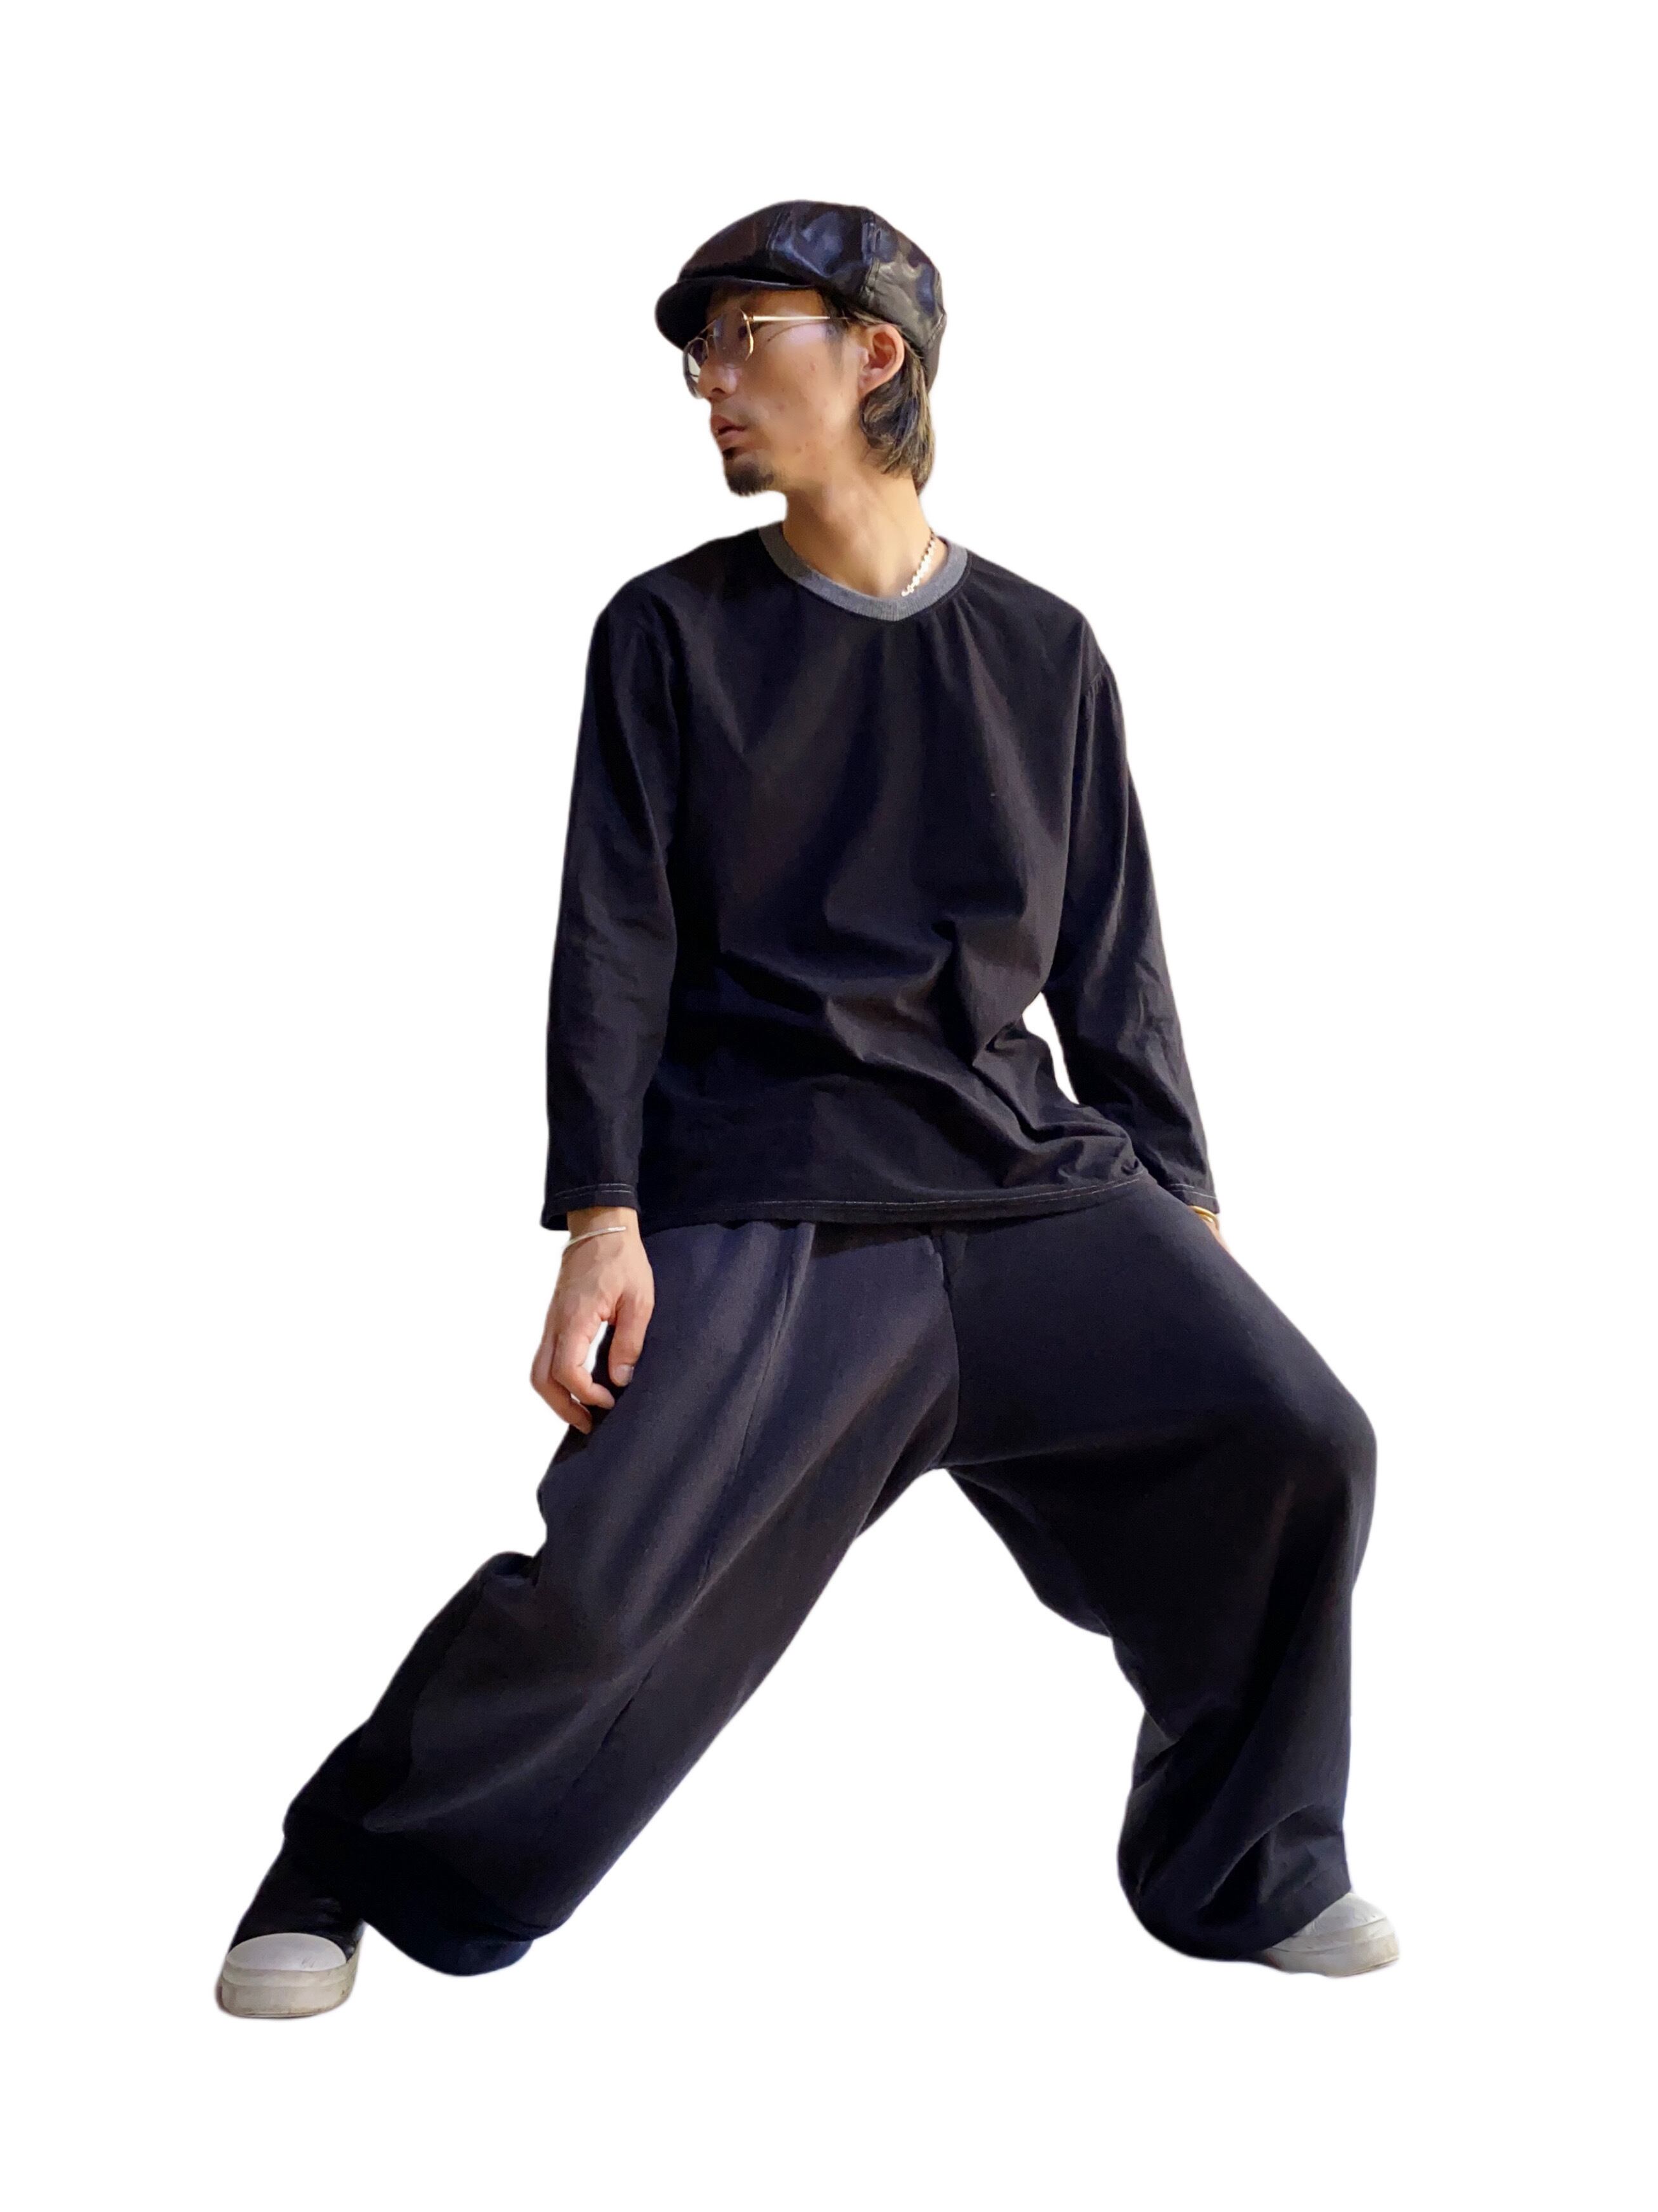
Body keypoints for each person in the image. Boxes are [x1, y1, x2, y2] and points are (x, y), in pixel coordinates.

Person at [215, 200, 1396, 2021]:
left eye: (744, 334)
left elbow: (1115, 952)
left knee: (1295, 1437)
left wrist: (1181, 1209)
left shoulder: (1047, 649)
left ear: (877, 352)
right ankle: (345, 1865)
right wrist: (600, 1215)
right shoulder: (669, 633)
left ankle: (1244, 1871)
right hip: (769, 1183)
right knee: (609, 1594)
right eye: (696, 351)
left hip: (1023, 1179)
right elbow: (612, 936)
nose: (707, 381)